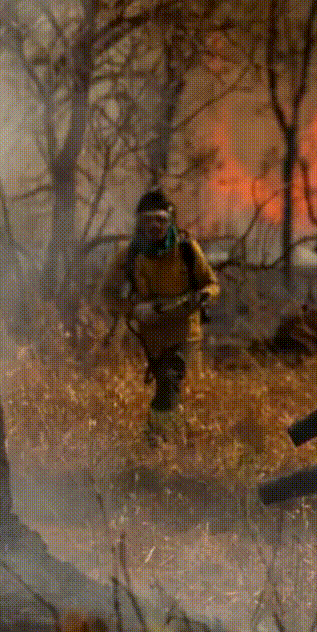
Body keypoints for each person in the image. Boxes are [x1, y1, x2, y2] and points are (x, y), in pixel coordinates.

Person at [101, 189, 219, 443]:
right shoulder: (131, 255)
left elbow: (211, 284)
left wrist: (203, 296)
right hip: (153, 337)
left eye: (160, 220)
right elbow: (106, 293)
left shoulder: (186, 250)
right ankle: (182, 441)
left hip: (185, 332)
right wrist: (133, 309)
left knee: (168, 381)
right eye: (147, 220)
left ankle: (153, 441)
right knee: (171, 388)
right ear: (138, 223)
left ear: (171, 221)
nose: (154, 226)